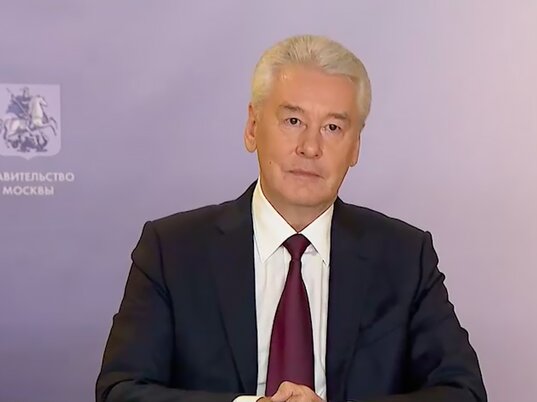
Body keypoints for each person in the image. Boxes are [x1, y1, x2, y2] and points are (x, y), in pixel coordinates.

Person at [96, 34, 487, 402]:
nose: (310, 147)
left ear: (355, 146)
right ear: (253, 128)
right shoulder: (172, 251)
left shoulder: (404, 256)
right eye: (293, 121)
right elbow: (121, 390)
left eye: (332, 127)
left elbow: (463, 392)